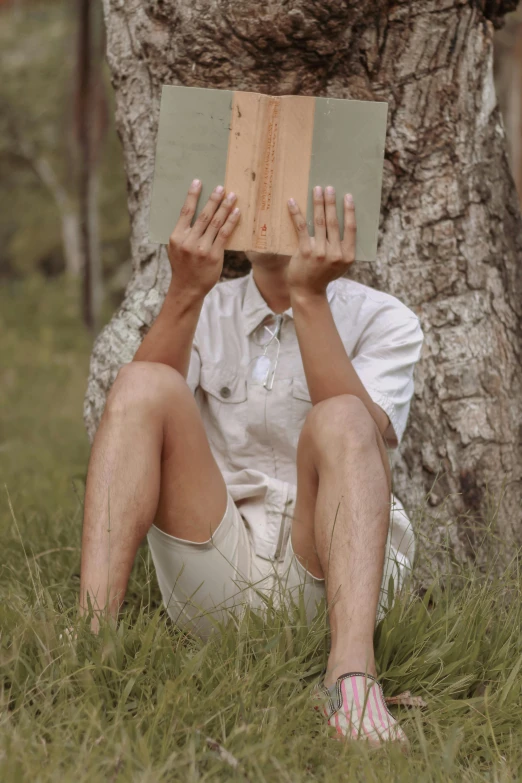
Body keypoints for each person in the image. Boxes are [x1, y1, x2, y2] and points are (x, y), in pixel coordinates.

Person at [80, 179, 424, 750]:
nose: (272, 203)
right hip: (216, 573)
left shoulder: (385, 319)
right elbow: (135, 412)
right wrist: (186, 291)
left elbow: (367, 437)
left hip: (331, 586)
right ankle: (91, 643)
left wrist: (309, 298)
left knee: (341, 417)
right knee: (141, 382)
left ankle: (352, 683)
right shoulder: (207, 308)